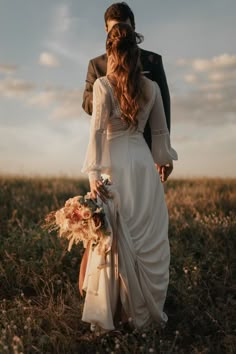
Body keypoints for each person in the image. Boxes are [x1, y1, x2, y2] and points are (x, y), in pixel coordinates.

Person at [80, 23, 178, 332]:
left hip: (114, 165)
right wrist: (163, 161)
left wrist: (94, 175)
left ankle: (117, 313)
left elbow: (96, 133)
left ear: (110, 53)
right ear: (136, 53)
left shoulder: (103, 86)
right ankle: (142, 315)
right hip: (142, 165)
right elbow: (160, 133)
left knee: (114, 237)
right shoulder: (152, 88)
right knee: (143, 235)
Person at [82, 2, 173, 183]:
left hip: (144, 146)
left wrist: (162, 153)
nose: (121, 33)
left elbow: (164, 105)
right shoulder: (96, 65)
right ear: (106, 30)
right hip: (109, 149)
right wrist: (110, 93)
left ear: (134, 28)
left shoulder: (152, 60)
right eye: (115, 28)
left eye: (126, 28)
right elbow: (86, 102)